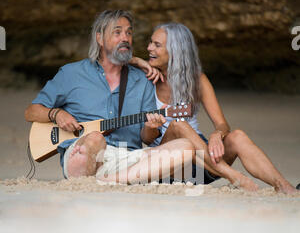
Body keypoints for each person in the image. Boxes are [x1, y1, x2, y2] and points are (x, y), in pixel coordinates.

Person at [25, 11, 194, 184]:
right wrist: (57, 114)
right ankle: (106, 175)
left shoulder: (143, 81)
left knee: (185, 148)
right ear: (99, 38)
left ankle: (108, 180)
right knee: (95, 138)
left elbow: (147, 138)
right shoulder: (71, 73)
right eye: (117, 32)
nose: (125, 38)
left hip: (127, 158)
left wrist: (152, 127)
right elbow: (31, 112)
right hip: (86, 150)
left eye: (129, 33)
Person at [131, 22, 298, 194]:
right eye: (151, 42)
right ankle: (234, 176)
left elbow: (222, 124)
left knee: (237, 137)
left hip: (203, 165)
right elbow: (108, 60)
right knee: (178, 125)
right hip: (168, 166)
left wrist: (217, 134)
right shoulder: (143, 79)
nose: (149, 47)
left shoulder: (197, 80)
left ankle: (284, 186)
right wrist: (136, 60)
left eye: (157, 44)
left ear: (175, 50)